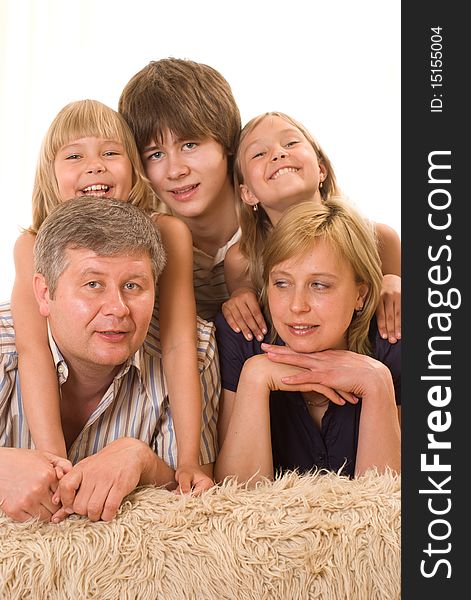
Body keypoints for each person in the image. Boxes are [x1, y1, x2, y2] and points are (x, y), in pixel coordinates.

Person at [11, 99, 212, 493]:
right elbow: (33, 350)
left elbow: (177, 342)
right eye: (74, 155)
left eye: (110, 152)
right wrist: (53, 461)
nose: (94, 165)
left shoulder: (167, 232)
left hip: (133, 364)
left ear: (133, 168)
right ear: (50, 176)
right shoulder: (32, 244)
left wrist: (189, 457)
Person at [0, 197, 219, 523]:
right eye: (93, 284)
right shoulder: (5, 350)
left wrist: (142, 460)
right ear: (45, 294)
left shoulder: (195, 354)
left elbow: (195, 499)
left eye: (133, 286)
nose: (118, 308)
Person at [214, 199, 401, 485]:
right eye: (282, 283)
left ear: (360, 295)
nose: (296, 306)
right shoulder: (244, 335)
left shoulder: (393, 338)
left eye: (319, 285)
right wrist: (255, 377)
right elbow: (233, 505)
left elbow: (385, 511)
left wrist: (376, 383)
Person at [221, 112, 402, 345]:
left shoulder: (379, 238)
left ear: (321, 169)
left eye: (291, 143)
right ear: (248, 193)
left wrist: (392, 280)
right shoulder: (242, 259)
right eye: (259, 153)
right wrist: (239, 297)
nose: (278, 153)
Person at [118, 58, 241, 322]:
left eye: (189, 145)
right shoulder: (143, 236)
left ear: (227, 139)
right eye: (156, 154)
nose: (175, 171)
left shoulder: (271, 211)